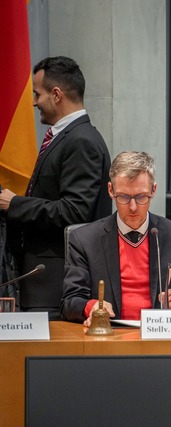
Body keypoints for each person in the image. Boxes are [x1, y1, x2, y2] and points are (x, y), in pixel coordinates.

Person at [0, 56, 111, 319]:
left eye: (38, 94)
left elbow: (75, 212)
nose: (34, 102)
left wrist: (14, 204)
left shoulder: (82, 141)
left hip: (56, 283)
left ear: (57, 94)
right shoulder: (68, 137)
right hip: (42, 280)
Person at [61, 151, 171, 326]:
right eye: (124, 197)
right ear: (111, 191)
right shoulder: (84, 239)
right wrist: (93, 307)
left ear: (153, 190)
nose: (133, 207)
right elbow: (70, 302)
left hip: (160, 337)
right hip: (109, 335)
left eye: (141, 196)